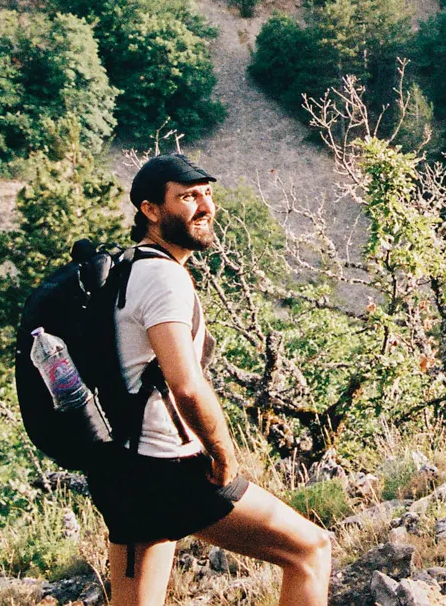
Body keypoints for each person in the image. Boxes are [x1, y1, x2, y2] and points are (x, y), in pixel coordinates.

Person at [89, 154, 332, 606]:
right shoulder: (163, 277)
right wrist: (223, 454)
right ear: (150, 210)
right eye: (187, 197)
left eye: (207, 194)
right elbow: (186, 385)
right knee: (309, 551)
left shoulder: (125, 269)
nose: (205, 206)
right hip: (167, 467)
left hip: (120, 467)